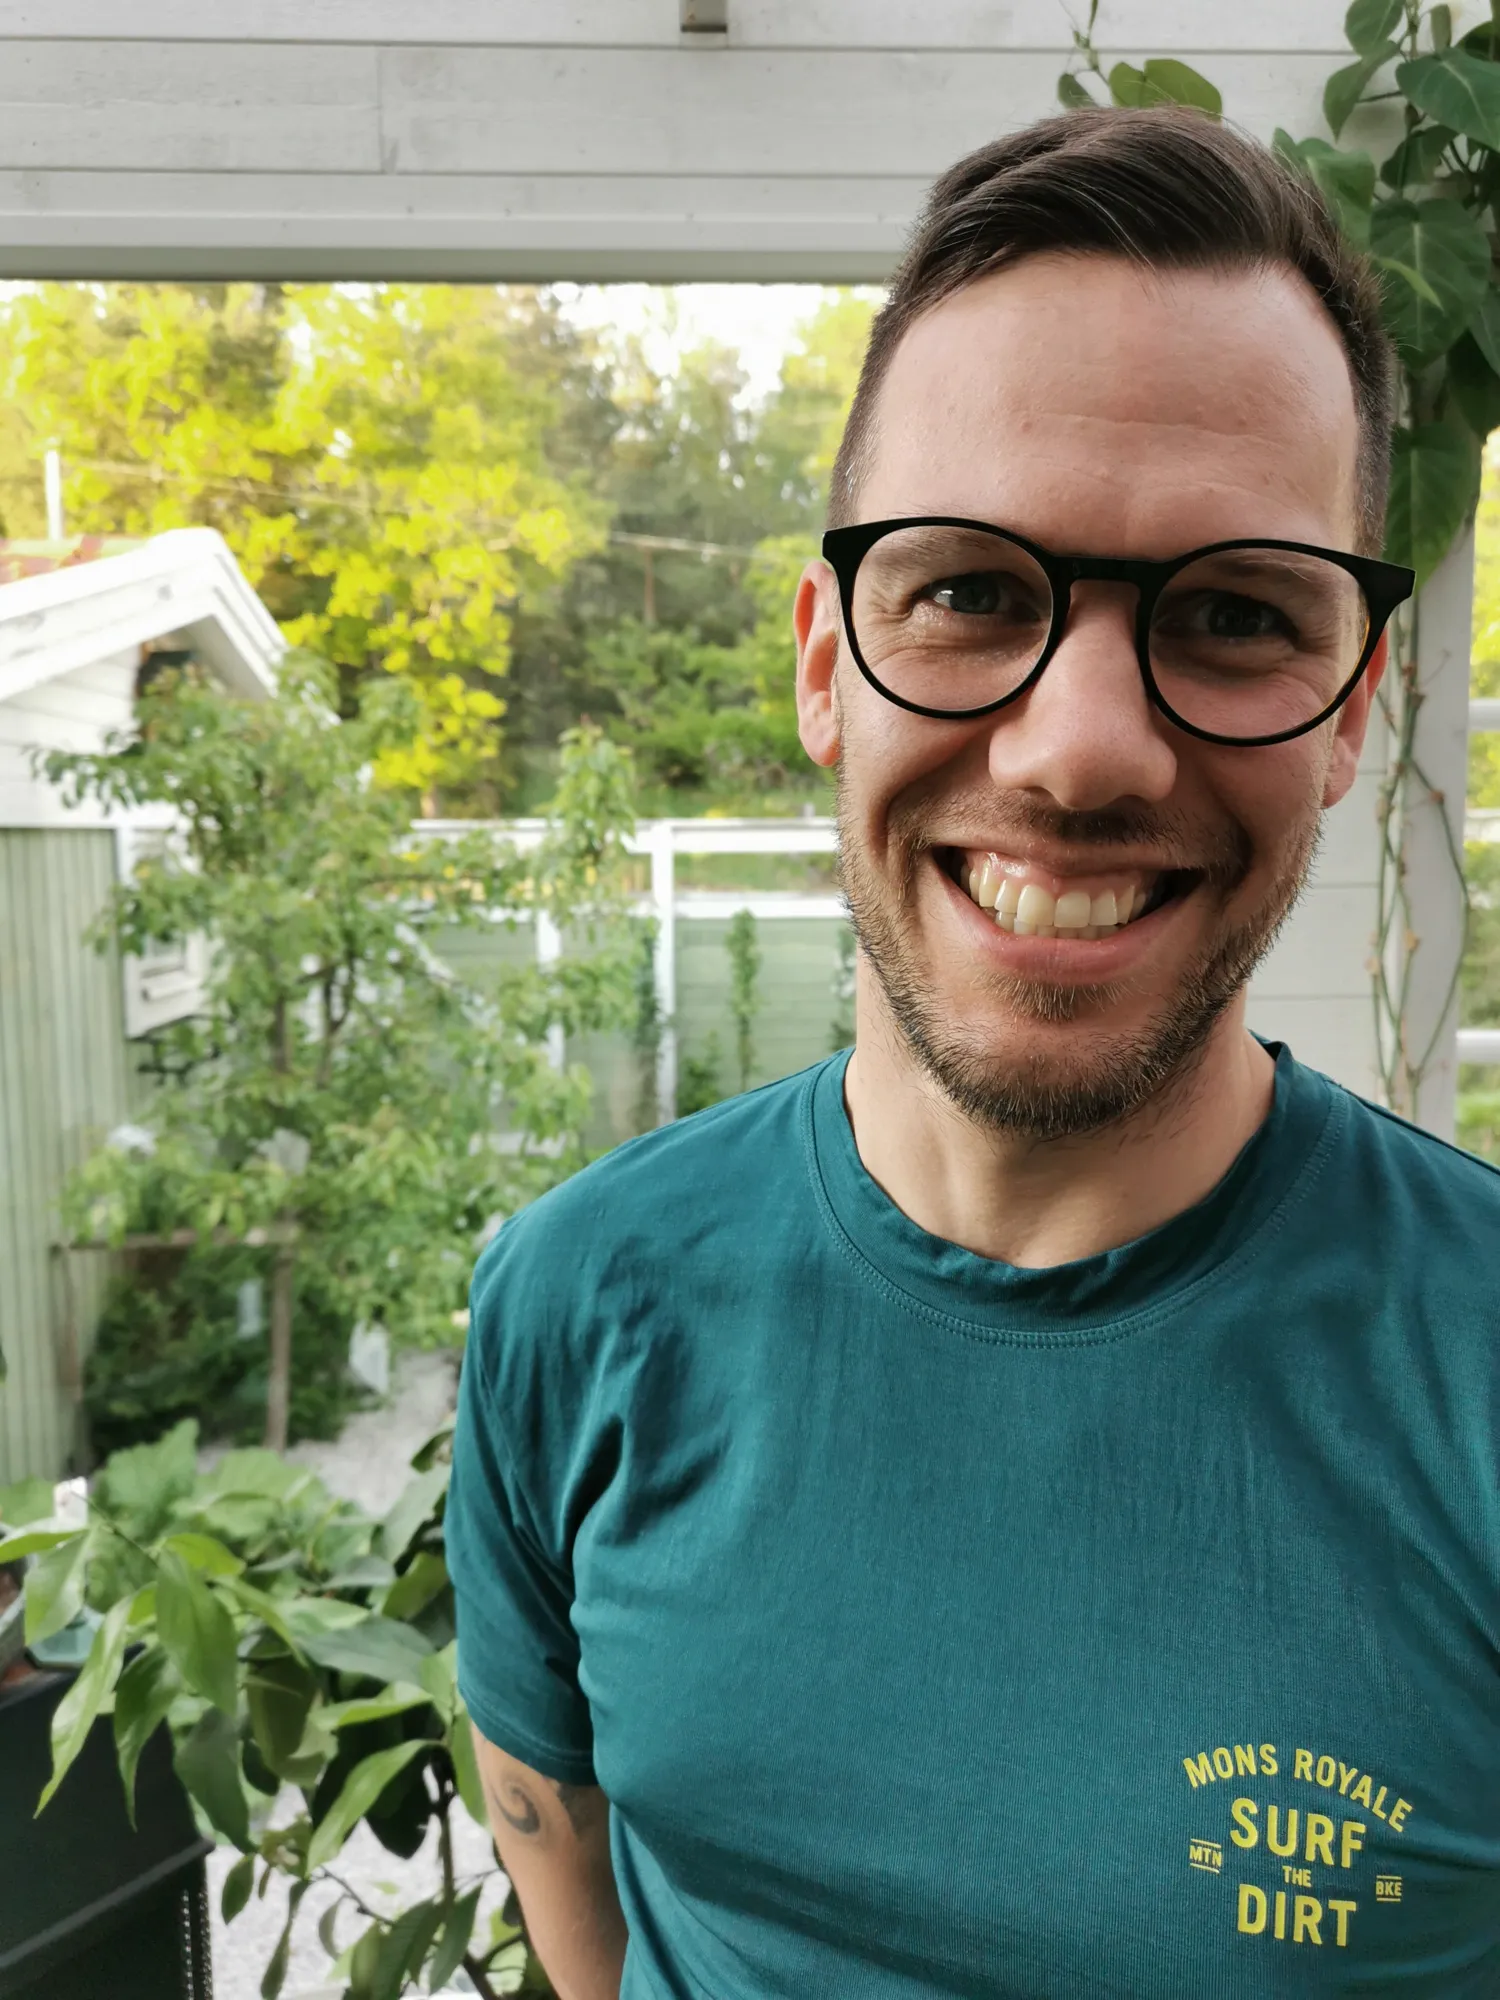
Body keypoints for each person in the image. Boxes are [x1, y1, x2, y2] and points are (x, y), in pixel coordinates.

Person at [446, 106, 1500, 1998]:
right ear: (825, 662)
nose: (1078, 750)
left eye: (1241, 613)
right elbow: (555, 1810)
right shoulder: (576, 1300)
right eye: (971, 592)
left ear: (1350, 715)